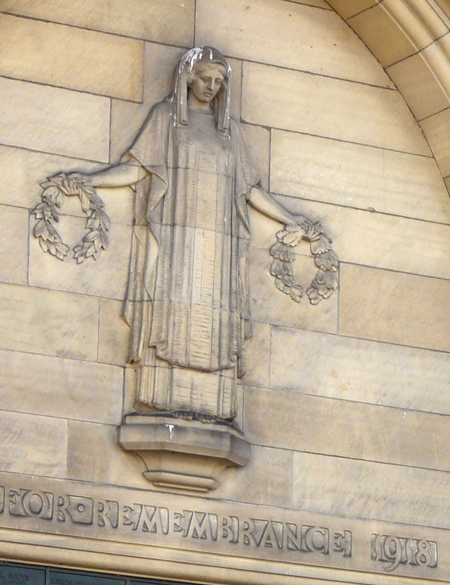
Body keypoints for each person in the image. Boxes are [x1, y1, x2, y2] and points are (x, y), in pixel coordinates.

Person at [50, 47, 316, 424]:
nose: (211, 87)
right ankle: (162, 398)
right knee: (169, 313)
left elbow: (250, 190)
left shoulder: (229, 133)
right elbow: (137, 171)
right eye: (205, 78)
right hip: (175, 242)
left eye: (219, 81)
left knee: (215, 320)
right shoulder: (167, 119)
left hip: (218, 249)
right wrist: (89, 181)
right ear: (188, 76)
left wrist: (291, 219)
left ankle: (215, 405)